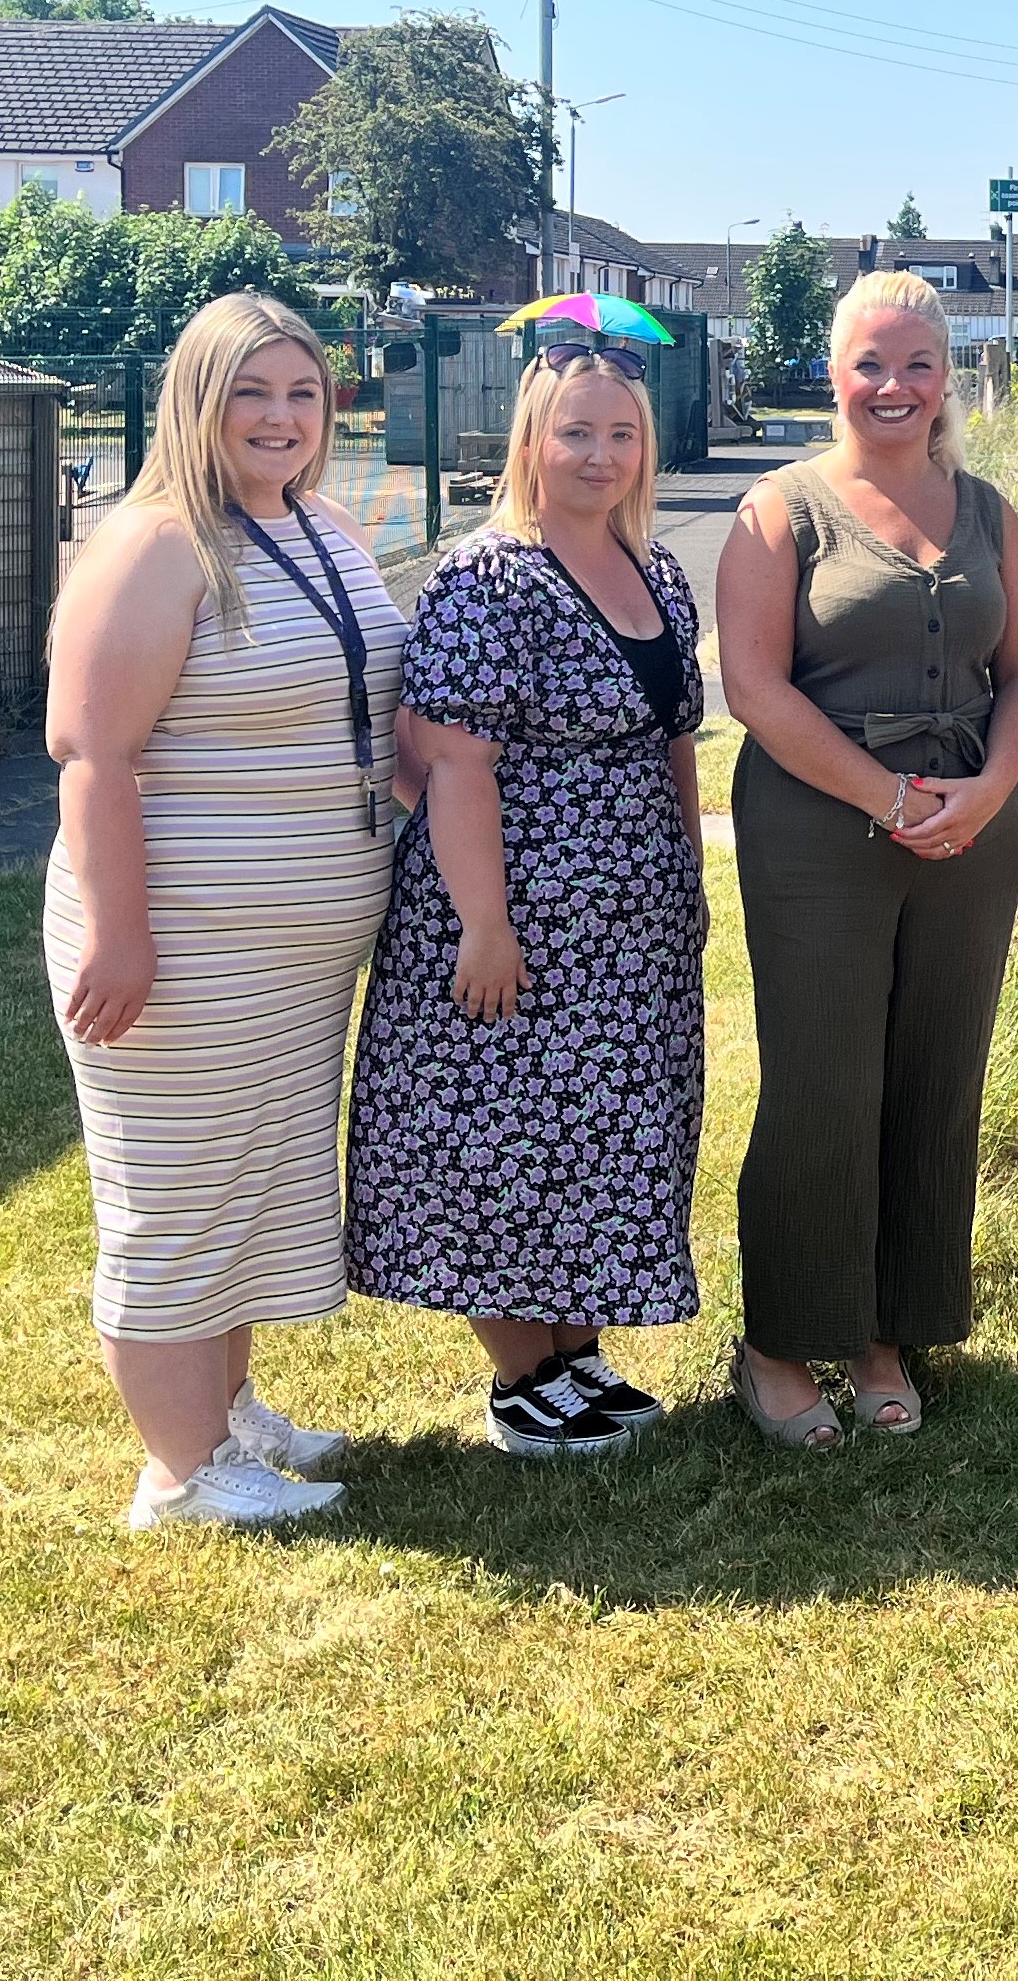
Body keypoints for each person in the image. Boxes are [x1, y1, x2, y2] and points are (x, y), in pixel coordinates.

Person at [41, 294, 399, 1530]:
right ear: (195, 402)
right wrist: (121, 932)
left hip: (296, 956)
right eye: (252, 393)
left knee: (256, 1183)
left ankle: (227, 1414)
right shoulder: (156, 544)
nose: (282, 418)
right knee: (179, 1192)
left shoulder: (319, 528)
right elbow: (92, 752)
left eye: (303, 394)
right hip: (182, 944)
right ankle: (179, 1473)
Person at [345, 305, 708, 1460]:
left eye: (620, 434)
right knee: (494, 1137)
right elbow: (450, 757)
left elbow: (675, 739)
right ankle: (521, 1376)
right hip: (518, 916)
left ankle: (578, 1353)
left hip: (632, 927)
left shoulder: (655, 568)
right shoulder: (489, 577)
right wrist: (485, 924)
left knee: (602, 1133)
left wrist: (687, 877)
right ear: (531, 440)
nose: (600, 455)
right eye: (576, 434)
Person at [720, 269, 1018, 1446]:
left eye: (916, 363)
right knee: (824, 1081)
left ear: (946, 375)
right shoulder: (781, 510)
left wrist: (987, 793)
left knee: (934, 1075)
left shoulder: (990, 511)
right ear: (834, 374)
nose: (893, 385)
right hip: (819, 827)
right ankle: (774, 1343)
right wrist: (887, 795)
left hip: (969, 826)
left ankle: (883, 1333)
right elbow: (754, 688)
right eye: (870, 363)